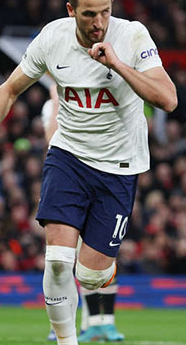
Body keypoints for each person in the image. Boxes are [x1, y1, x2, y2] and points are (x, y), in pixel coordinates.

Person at [0, 0, 176, 345]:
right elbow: (10, 89)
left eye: (105, 12)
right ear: (71, 11)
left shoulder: (132, 36)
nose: (99, 23)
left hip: (119, 166)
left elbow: (168, 99)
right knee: (57, 262)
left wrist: (118, 65)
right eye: (89, 14)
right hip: (69, 157)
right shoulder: (53, 38)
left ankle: (99, 271)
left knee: (90, 276)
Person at [43, 85, 125, 343]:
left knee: (94, 263)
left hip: (105, 179)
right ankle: (76, 323)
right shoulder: (52, 104)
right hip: (69, 182)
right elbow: (52, 139)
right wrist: (56, 102)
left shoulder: (106, 94)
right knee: (63, 259)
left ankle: (102, 322)